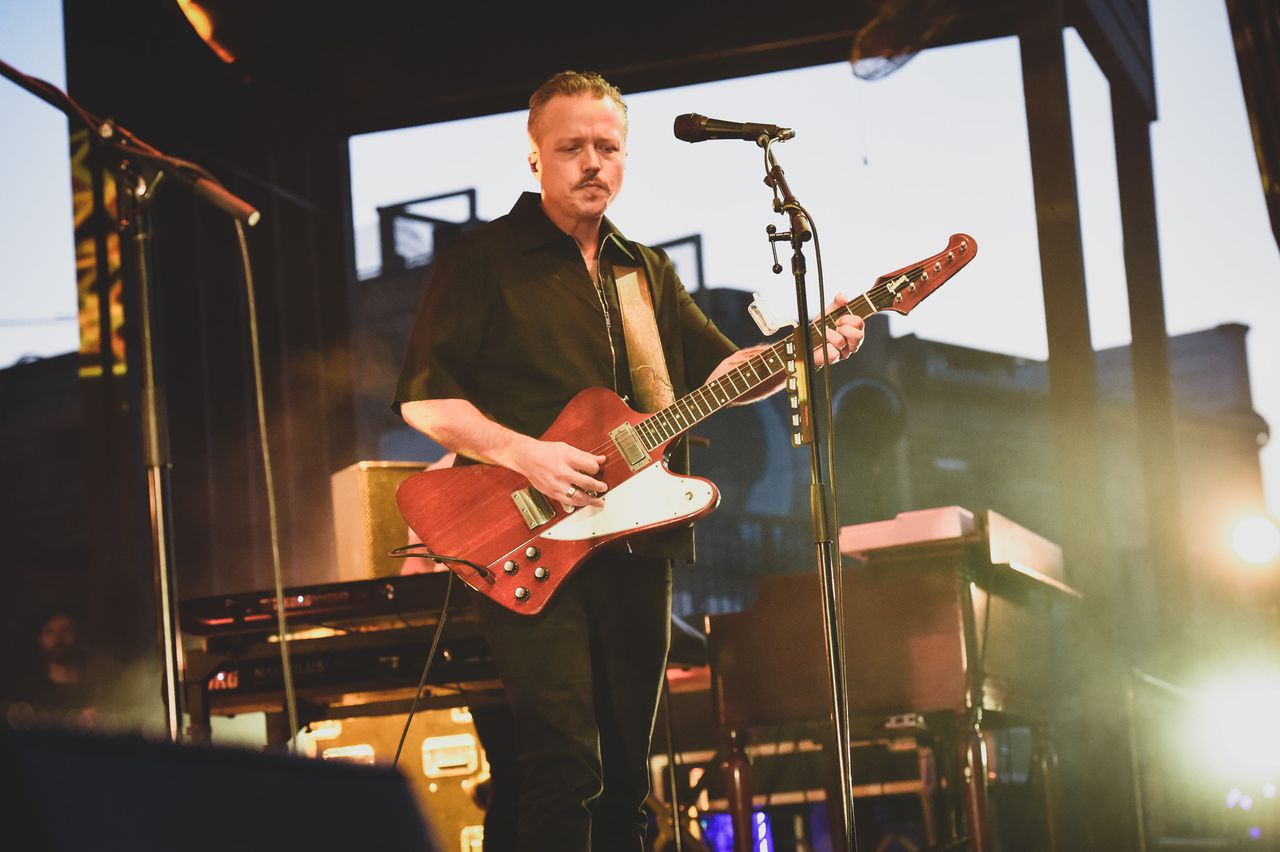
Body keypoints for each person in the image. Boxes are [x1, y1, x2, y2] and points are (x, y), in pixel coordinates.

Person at [394, 70, 864, 852]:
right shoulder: (483, 257)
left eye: (607, 147)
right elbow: (424, 401)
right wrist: (528, 456)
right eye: (570, 146)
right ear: (535, 157)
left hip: (638, 541)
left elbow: (717, 379)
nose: (591, 162)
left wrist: (803, 352)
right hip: (527, 533)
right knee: (560, 763)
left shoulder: (643, 268)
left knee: (624, 778)